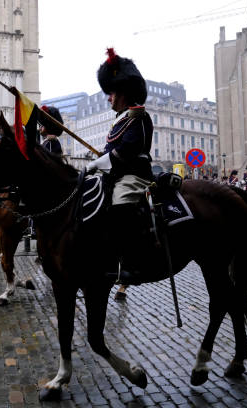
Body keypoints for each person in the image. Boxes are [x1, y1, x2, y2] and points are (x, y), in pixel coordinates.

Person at [85, 48, 156, 283]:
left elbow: (127, 151)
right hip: (115, 174)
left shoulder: (138, 116)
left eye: (111, 92)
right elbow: (111, 151)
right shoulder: (120, 119)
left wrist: (98, 163)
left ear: (123, 92)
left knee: (120, 203)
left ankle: (132, 265)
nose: (108, 98)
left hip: (133, 176)